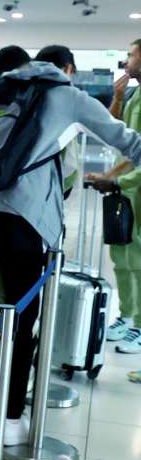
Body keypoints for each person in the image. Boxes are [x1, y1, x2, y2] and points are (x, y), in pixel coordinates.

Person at [0, 44, 141, 441]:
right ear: (64, 69)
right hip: (27, 220)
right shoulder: (66, 96)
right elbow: (127, 141)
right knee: (22, 317)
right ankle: (10, 419)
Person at [89, 38, 141, 353]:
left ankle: (140, 326)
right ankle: (127, 315)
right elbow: (119, 136)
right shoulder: (133, 95)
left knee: (139, 261)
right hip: (126, 190)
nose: (126, 61)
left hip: (135, 187)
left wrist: (118, 180)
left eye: (131, 56)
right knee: (122, 258)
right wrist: (118, 97)